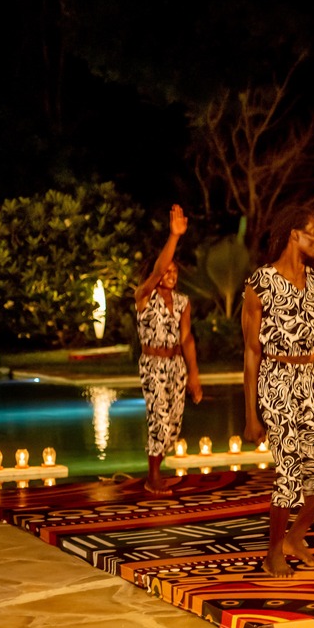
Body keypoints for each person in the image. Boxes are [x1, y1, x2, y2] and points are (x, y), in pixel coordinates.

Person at [242, 205, 314, 577]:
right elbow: (252, 352)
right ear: (294, 234)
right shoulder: (261, 283)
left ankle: (295, 537)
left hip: (309, 382)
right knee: (289, 470)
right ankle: (273, 553)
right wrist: (251, 415)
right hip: (276, 379)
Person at [135, 204, 203, 497]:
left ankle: (157, 472)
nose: (172, 274)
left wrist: (194, 375)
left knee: (173, 424)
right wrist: (174, 236)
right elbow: (158, 267)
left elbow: (186, 339)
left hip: (176, 365)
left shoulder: (183, 301)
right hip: (153, 364)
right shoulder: (144, 296)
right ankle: (152, 477)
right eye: (168, 270)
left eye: (175, 271)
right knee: (159, 420)